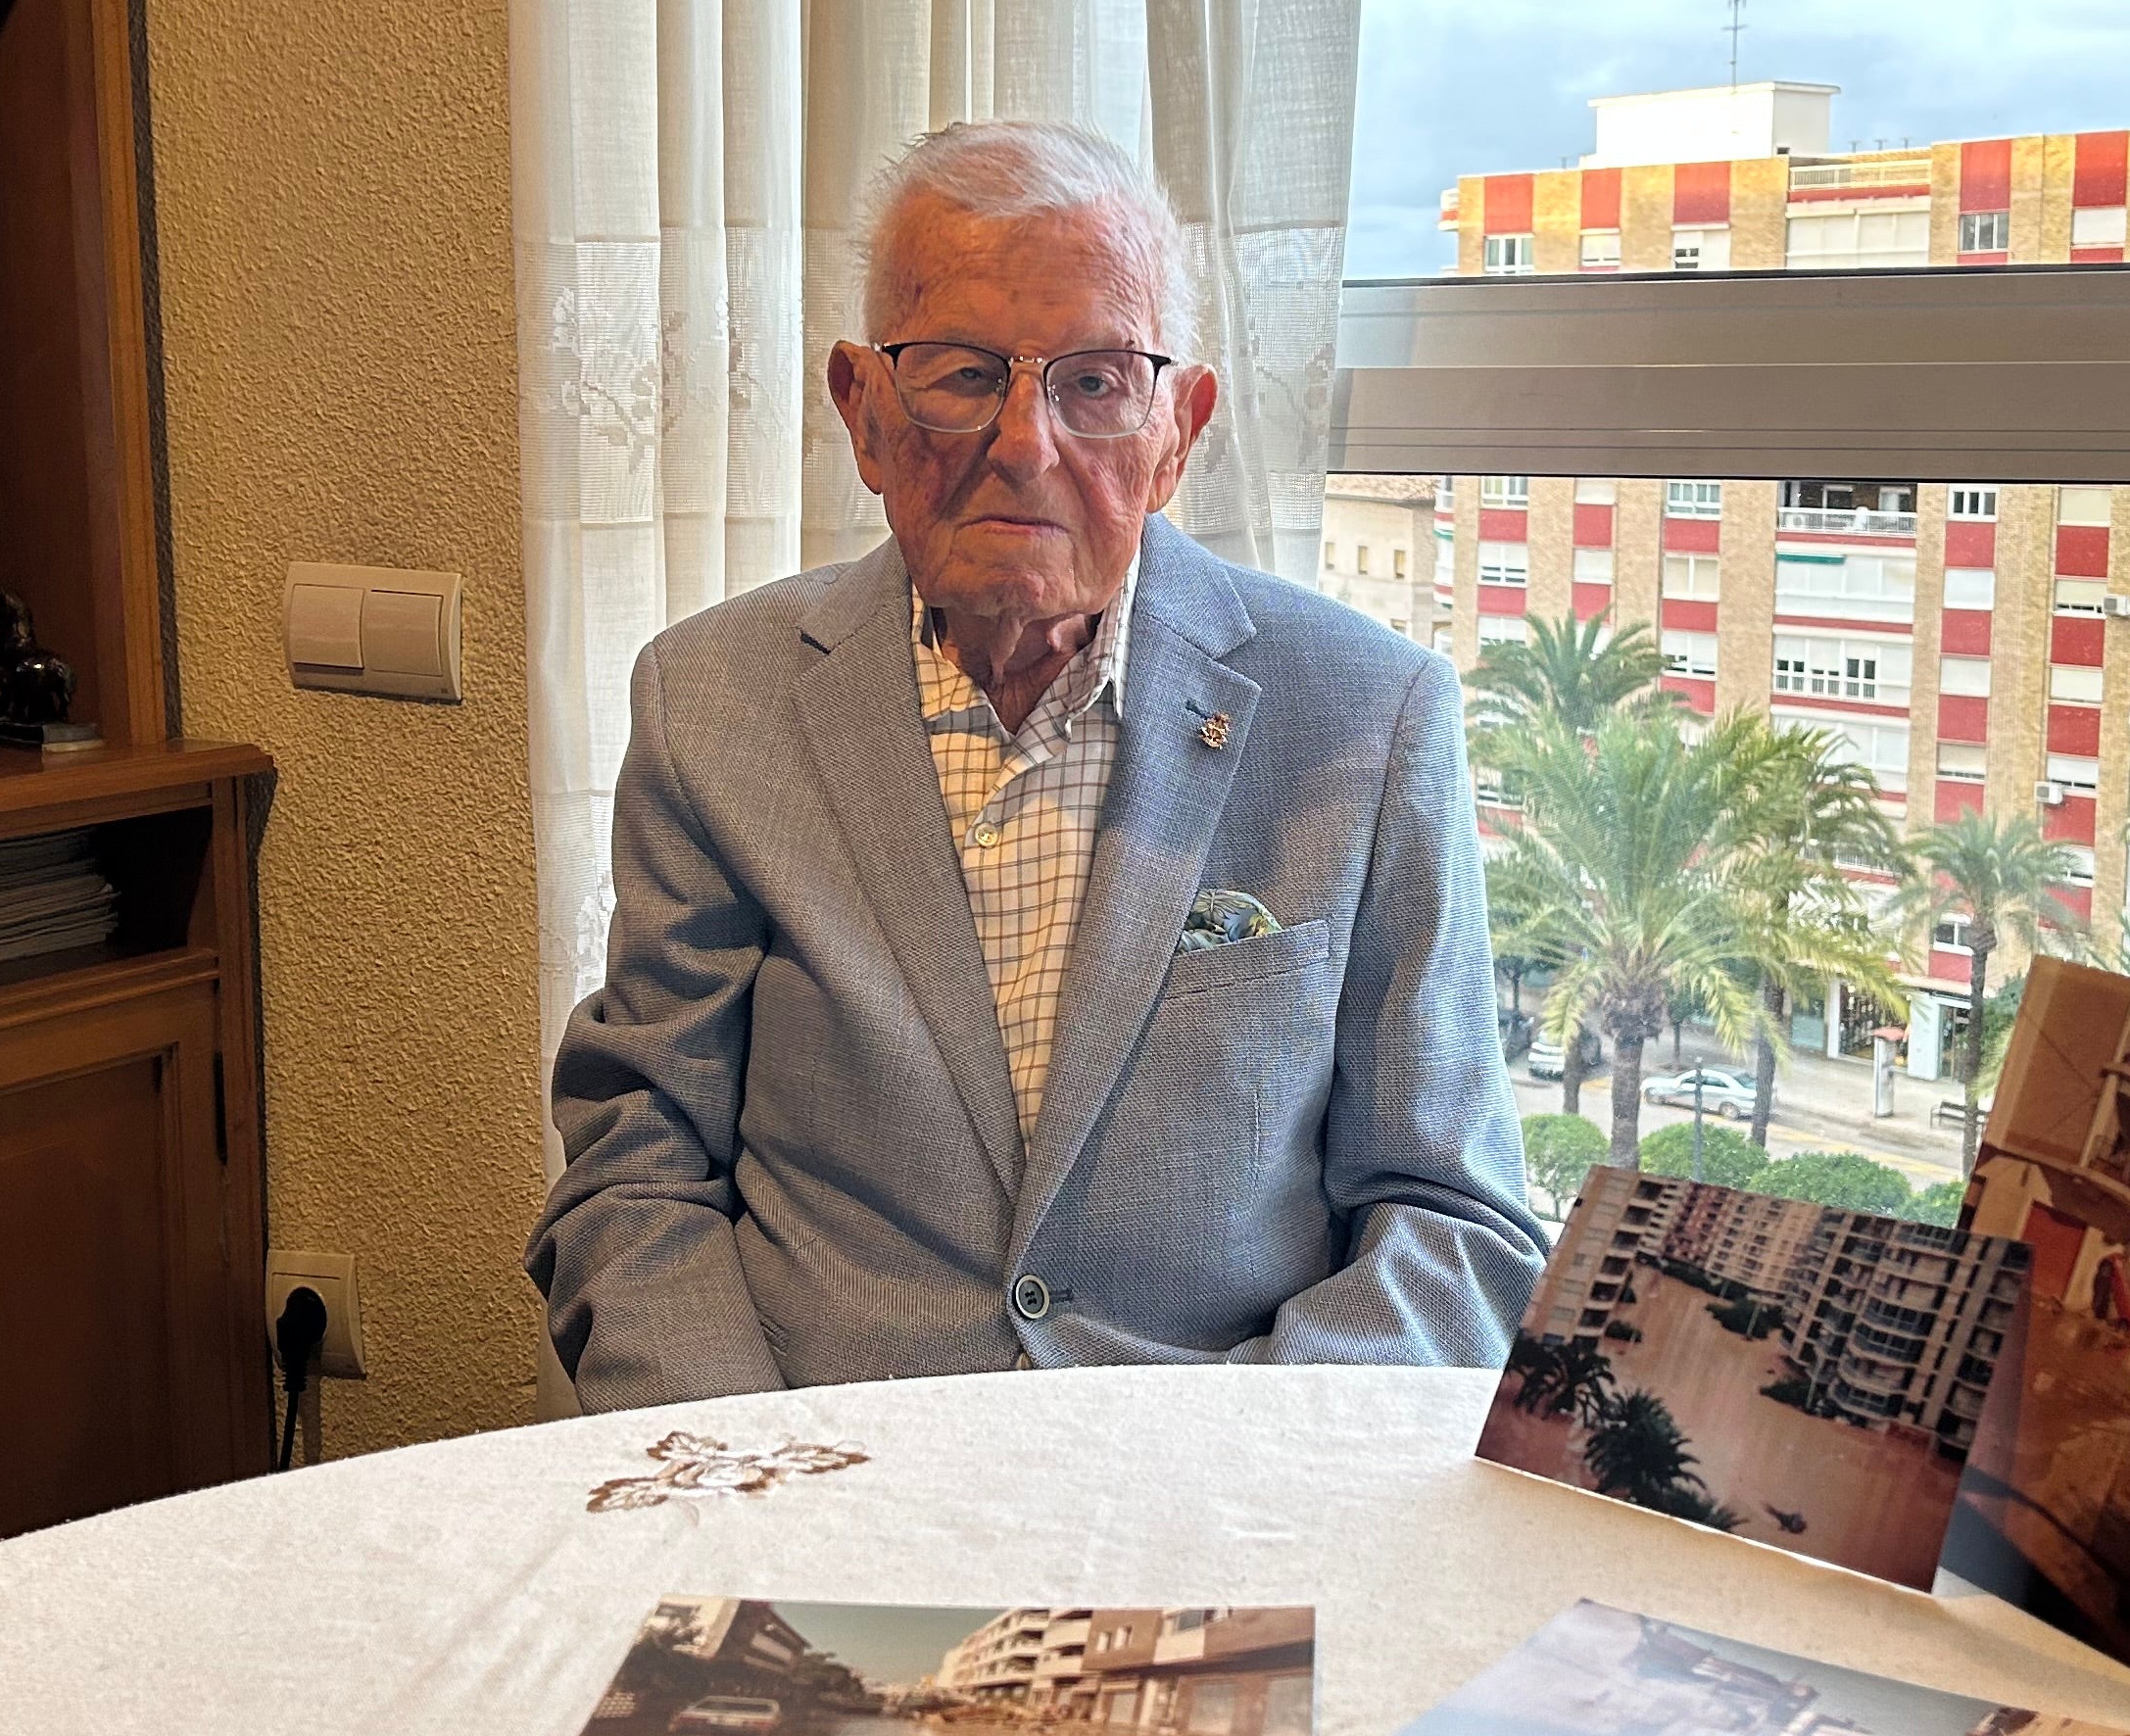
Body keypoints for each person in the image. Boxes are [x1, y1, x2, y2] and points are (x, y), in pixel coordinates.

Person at [531, 120, 1541, 1408]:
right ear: (863, 409)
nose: (1025, 442)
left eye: (1098, 382)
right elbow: (639, 1174)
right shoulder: (710, 704)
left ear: (1180, 430)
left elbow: (1453, 1218)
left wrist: (1220, 1482)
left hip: (1207, 1499)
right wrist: (750, 1486)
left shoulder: (1367, 713)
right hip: (826, 1490)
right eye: (959, 372)